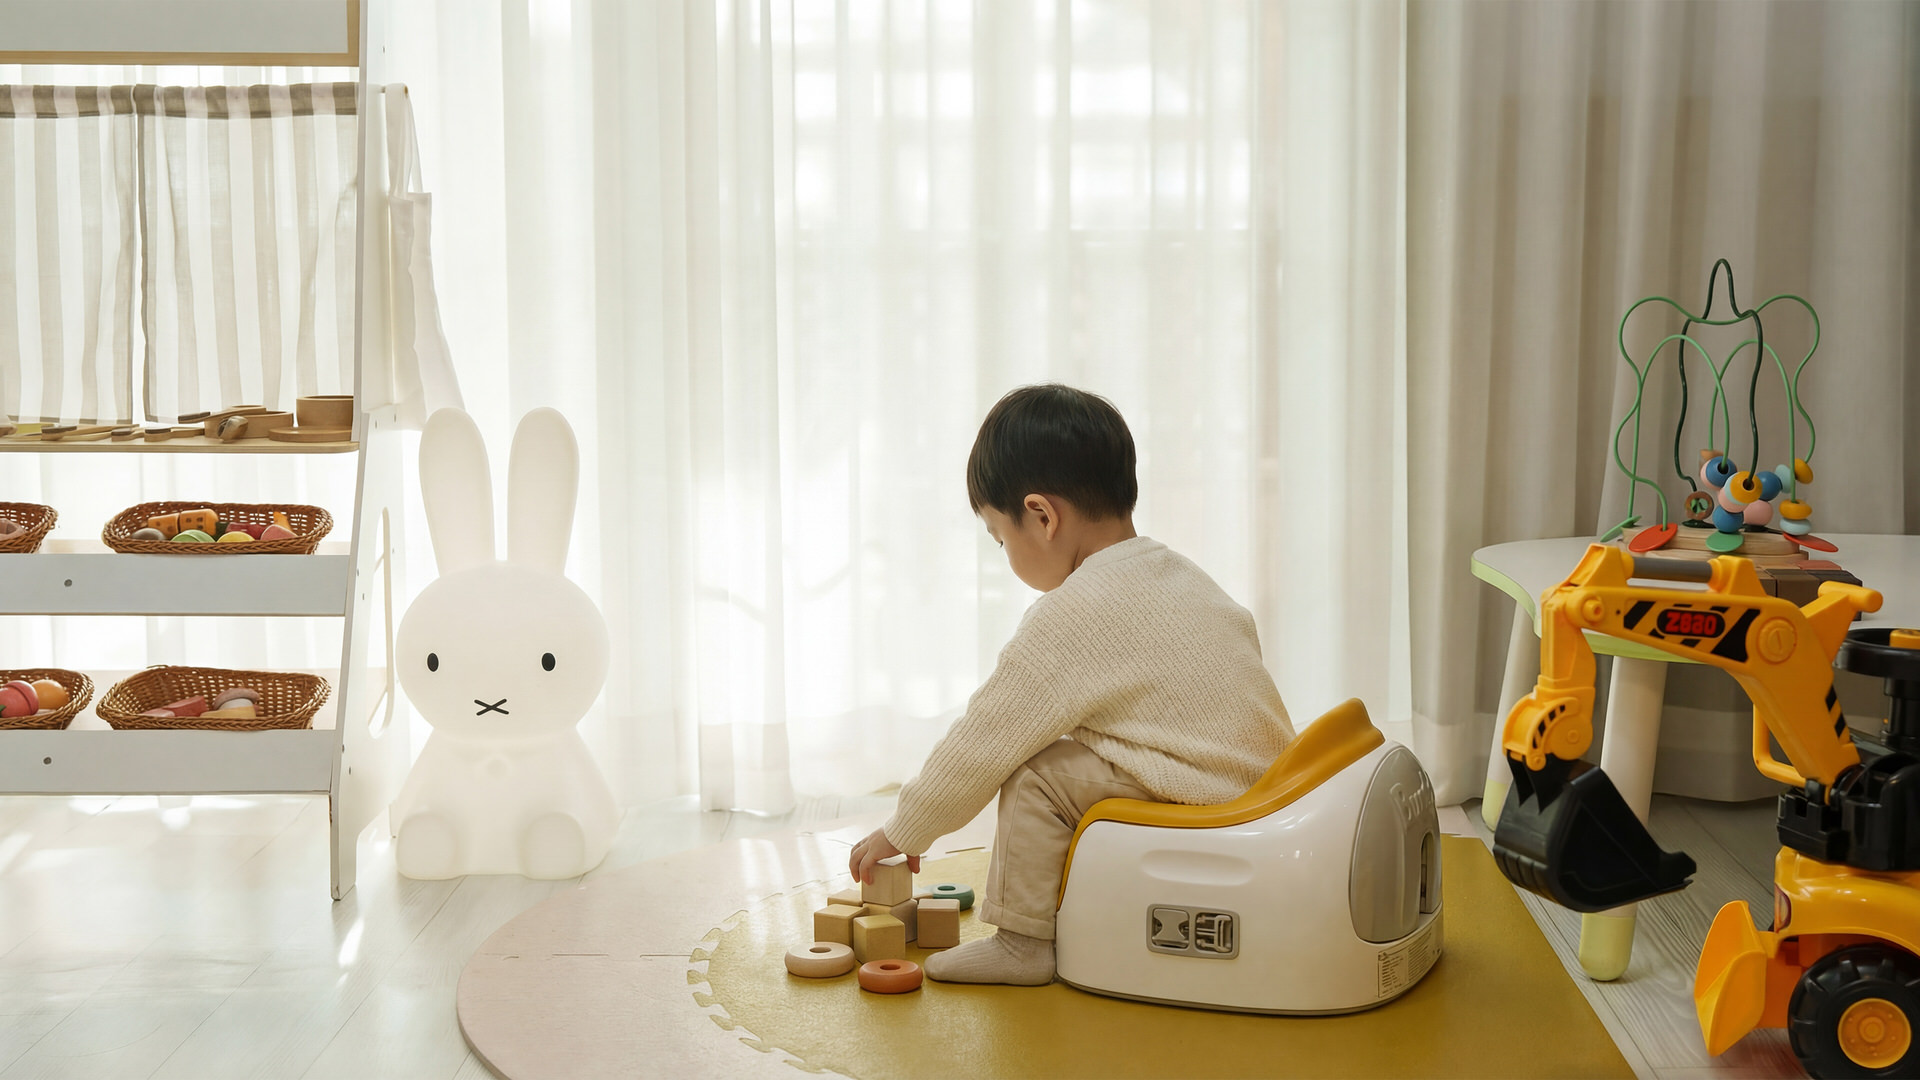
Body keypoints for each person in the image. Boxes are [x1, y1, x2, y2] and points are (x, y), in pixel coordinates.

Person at [848, 383, 1295, 985]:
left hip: (1210, 805)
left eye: (1000, 538)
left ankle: (1021, 944)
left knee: (1036, 771)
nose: (1005, 553)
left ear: (1042, 516)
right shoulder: (1185, 576)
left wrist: (904, 829)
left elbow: (982, 742)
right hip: (1272, 793)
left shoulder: (1074, 615)